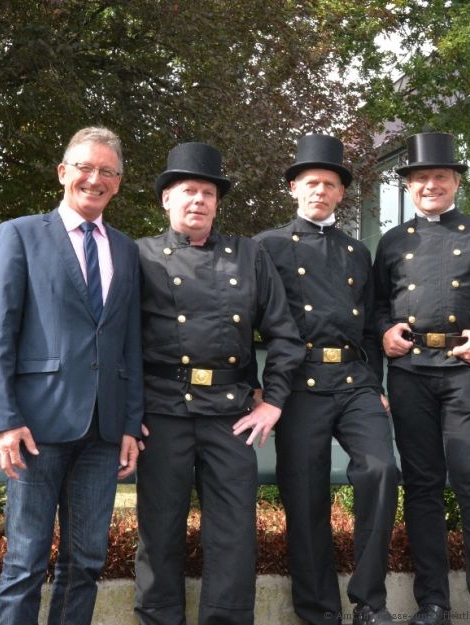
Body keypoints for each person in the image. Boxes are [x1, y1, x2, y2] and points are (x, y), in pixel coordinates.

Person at [133, 142, 305, 625]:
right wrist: (130, 414)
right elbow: (120, 343)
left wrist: (271, 402)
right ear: (166, 199)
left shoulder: (248, 255)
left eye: (207, 192)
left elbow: (285, 336)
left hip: (231, 413)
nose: (198, 201)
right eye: (188, 191)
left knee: (233, 532)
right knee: (159, 529)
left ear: (217, 202)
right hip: (162, 410)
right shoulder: (140, 255)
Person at [0, 126, 144, 625]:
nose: (95, 179)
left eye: (107, 172)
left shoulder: (127, 250)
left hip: (102, 431)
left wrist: (131, 423)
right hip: (34, 428)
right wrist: (3, 420)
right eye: (85, 168)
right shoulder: (21, 234)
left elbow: (130, 343)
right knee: (25, 562)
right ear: (63, 173)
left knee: (87, 563)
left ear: (118, 183)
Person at [373, 132, 470, 625]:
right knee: (421, 485)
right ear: (409, 187)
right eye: (421, 178)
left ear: (456, 180)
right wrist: (384, 332)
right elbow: (376, 307)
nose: (430, 185)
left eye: (440, 176)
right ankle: (433, 603)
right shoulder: (393, 242)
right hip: (411, 372)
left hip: (466, 370)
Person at [254, 134, 400, 625]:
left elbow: (374, 323)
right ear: (294, 187)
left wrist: (376, 385)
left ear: (341, 193)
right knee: (305, 493)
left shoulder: (359, 251)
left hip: (356, 379)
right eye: (311, 182)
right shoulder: (267, 246)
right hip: (298, 381)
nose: (320, 190)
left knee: (381, 470)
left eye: (330, 184)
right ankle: (319, 611)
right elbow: (245, 316)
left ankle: (369, 602)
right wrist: (258, 384)